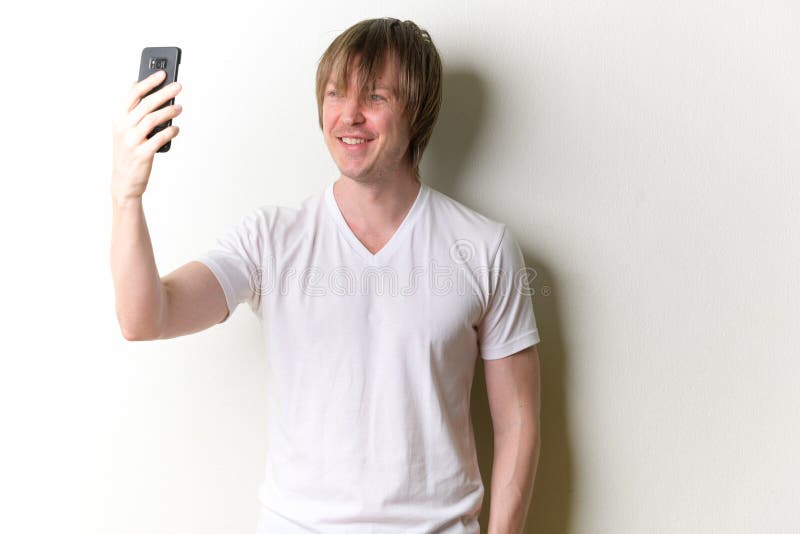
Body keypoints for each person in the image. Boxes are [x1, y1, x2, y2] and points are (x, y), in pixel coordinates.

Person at [110, 17, 541, 534]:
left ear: (418, 112)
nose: (349, 116)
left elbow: (518, 424)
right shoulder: (270, 239)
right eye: (336, 94)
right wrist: (126, 197)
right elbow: (147, 318)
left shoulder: (486, 249)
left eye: (375, 97)